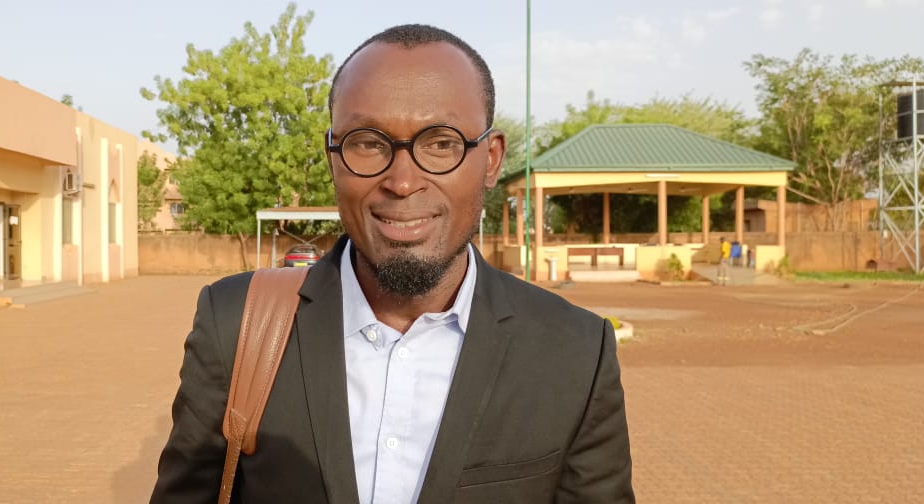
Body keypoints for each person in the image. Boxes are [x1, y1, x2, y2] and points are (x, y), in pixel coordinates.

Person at [151, 24, 634, 503]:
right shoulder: (237, 325)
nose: (403, 182)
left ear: (490, 159)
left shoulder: (575, 352)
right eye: (368, 142)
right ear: (332, 157)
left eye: (441, 143)